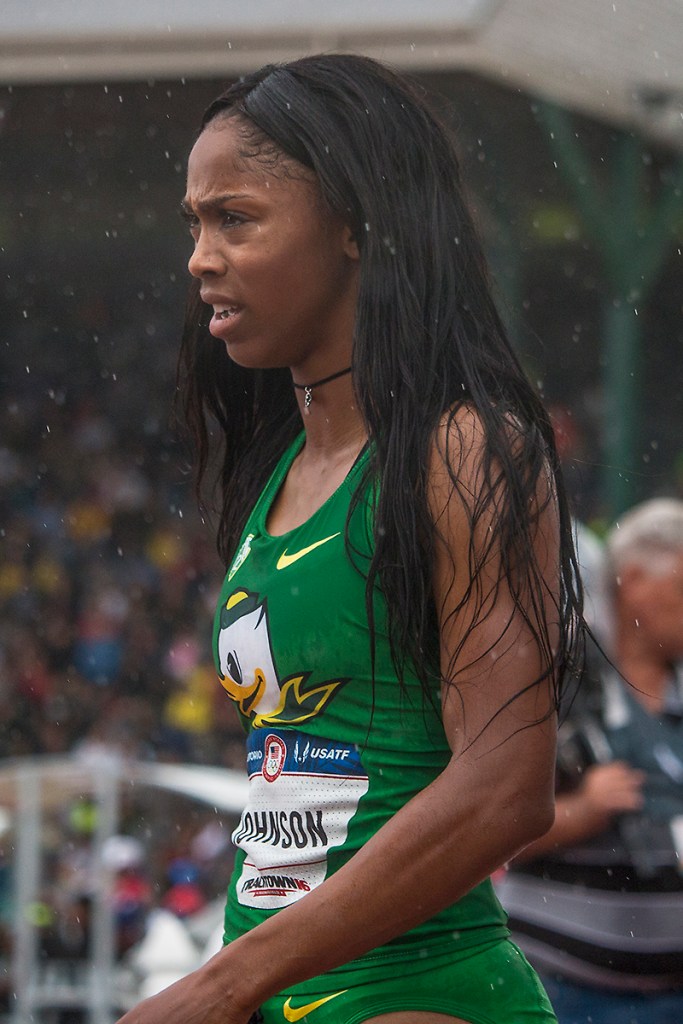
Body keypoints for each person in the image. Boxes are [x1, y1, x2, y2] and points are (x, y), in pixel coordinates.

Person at [118, 54, 584, 1024]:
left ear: (353, 228)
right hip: (280, 991)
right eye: (193, 224)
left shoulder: (464, 448)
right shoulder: (280, 469)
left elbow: (505, 785)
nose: (199, 255)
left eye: (234, 219)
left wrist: (224, 980)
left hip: (418, 990)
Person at [497, 497, 683, 1023]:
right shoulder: (560, 691)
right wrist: (585, 809)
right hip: (563, 989)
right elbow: (488, 830)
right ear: (635, 582)